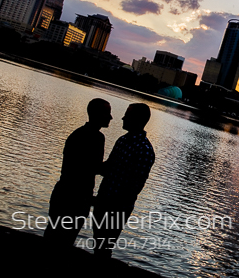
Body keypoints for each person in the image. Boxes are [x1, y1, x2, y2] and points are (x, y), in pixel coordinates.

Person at [44, 98, 112, 249]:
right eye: (107, 113)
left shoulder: (83, 134)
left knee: (54, 236)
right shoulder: (94, 138)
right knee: (64, 239)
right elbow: (92, 168)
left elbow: (89, 168)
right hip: (73, 198)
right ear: (97, 114)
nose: (110, 117)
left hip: (67, 194)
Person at [93, 103, 155, 258]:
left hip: (117, 208)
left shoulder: (144, 150)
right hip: (103, 202)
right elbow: (108, 168)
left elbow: (134, 187)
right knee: (98, 243)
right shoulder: (122, 140)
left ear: (137, 119)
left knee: (104, 247)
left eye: (127, 114)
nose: (123, 117)